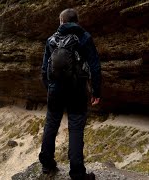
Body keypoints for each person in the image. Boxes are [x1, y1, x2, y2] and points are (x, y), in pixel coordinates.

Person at [39, 8, 101, 180]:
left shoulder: (51, 40)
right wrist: (96, 91)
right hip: (77, 90)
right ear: (77, 21)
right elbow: (95, 66)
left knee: (51, 124)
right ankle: (77, 173)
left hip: (55, 90)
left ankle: (46, 163)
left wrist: (50, 87)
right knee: (75, 129)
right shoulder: (84, 38)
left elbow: (44, 70)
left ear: (61, 21)